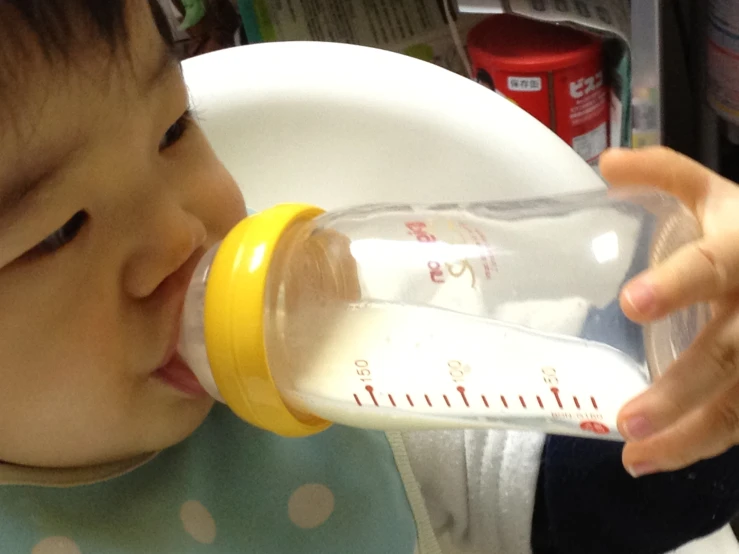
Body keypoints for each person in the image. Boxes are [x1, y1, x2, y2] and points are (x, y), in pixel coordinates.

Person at [0, 1, 738, 553]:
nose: (177, 236)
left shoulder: (328, 363)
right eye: (60, 231)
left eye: (172, 131)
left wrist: (708, 352)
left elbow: (585, 496)